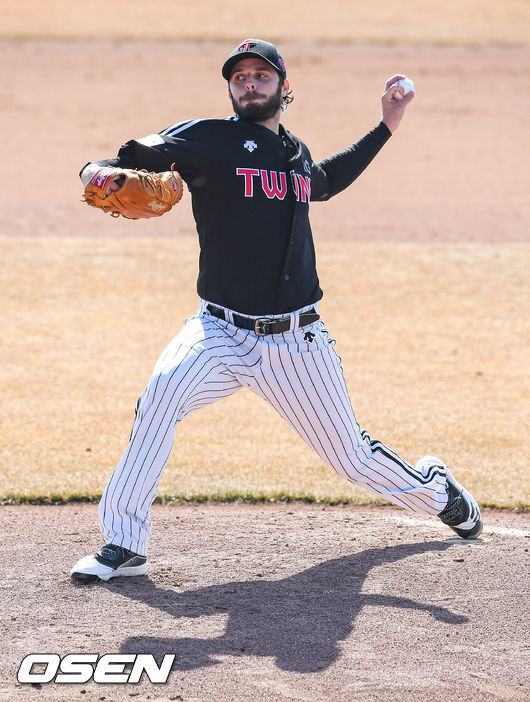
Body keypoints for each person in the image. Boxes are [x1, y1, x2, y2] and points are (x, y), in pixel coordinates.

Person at [71, 39, 482, 583]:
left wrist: (386, 125)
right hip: (216, 329)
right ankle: (124, 544)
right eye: (239, 76)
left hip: (296, 342)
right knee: (159, 401)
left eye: (261, 75)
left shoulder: (293, 152)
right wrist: (94, 174)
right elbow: (118, 161)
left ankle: (438, 490)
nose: (249, 83)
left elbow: (327, 183)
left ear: (284, 89)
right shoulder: (206, 138)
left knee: (349, 457)